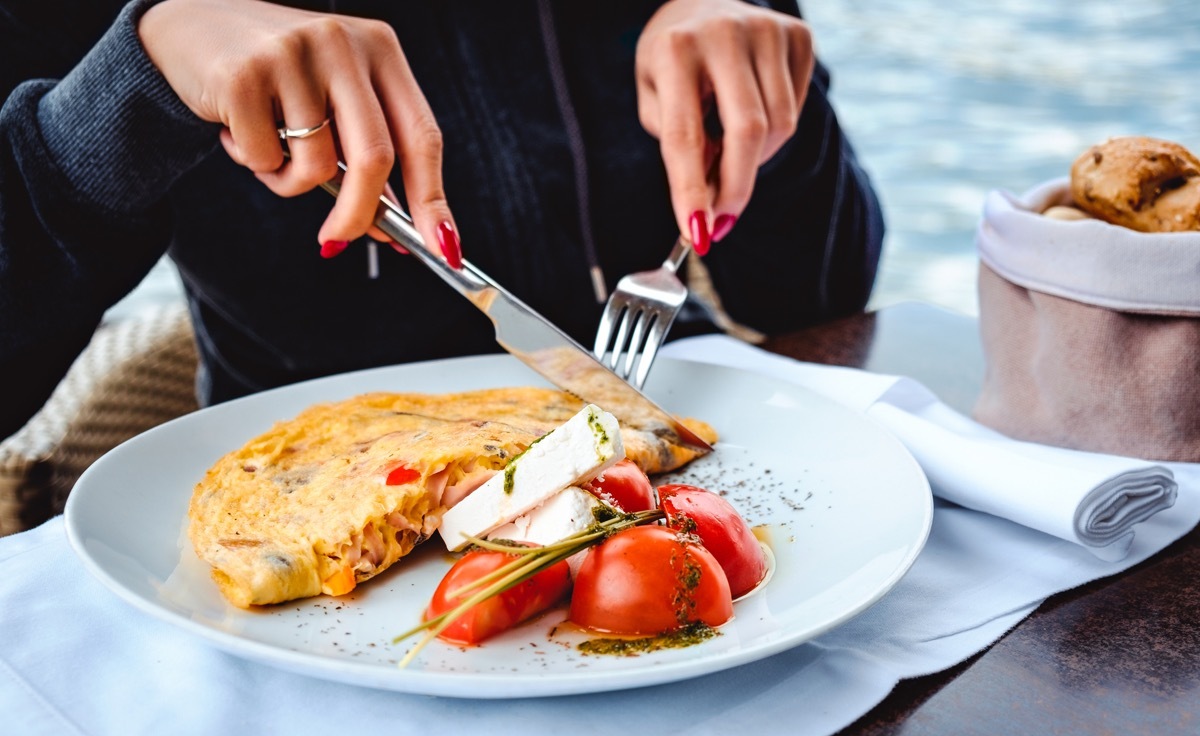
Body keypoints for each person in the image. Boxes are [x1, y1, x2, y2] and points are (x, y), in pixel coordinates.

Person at [0, 0, 884, 441]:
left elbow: (817, 298)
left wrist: (769, 106)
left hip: (678, 417)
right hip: (311, 488)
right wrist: (138, 78)